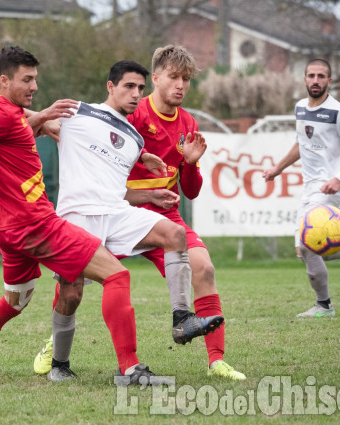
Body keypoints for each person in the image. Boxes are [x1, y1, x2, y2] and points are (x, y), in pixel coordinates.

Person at [0, 46, 171, 385]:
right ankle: (130, 370)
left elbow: (14, 124)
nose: (34, 86)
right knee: (117, 276)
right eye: (27, 80)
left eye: (35, 79)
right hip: (36, 225)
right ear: (5, 80)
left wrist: (40, 120)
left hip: (9, 231)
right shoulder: (1, 116)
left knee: (14, 302)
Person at [34, 60, 224, 382]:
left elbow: (118, 192)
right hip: (78, 217)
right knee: (71, 293)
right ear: (110, 87)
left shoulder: (134, 139)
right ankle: (59, 363)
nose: (136, 94)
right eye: (128, 87)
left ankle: (182, 319)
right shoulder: (80, 112)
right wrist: (40, 118)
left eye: (139, 88)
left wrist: (149, 197)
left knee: (175, 234)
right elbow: (19, 120)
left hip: (117, 213)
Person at [126, 45, 246, 380]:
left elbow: (190, 190)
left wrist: (191, 164)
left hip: (168, 221)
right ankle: (55, 348)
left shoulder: (187, 122)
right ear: (156, 78)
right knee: (75, 279)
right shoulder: (134, 115)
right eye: (174, 77)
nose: (181, 85)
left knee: (205, 268)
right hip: (123, 214)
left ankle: (216, 361)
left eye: (187, 79)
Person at [262, 58, 340, 318]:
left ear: (329, 81)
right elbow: (301, 143)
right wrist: (278, 168)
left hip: (330, 189)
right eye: (311, 75)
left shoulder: (338, 112)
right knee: (307, 251)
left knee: (310, 247)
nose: (316, 80)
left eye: (321, 76)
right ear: (305, 79)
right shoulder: (300, 108)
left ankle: (324, 305)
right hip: (309, 189)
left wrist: (338, 178)